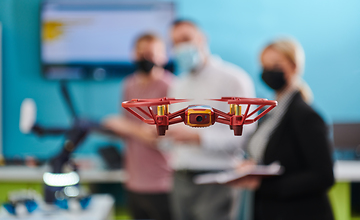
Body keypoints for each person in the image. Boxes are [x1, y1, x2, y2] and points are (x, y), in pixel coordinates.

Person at [232, 38, 334, 220]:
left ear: (294, 67)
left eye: (276, 65)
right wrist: (254, 167)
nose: (269, 72)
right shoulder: (269, 113)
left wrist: (263, 185)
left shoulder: (305, 115)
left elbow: (324, 176)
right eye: (265, 66)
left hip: (300, 213)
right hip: (271, 210)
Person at [166, 19, 256, 220]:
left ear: (202, 39)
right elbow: (172, 135)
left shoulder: (233, 79)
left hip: (218, 178)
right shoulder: (178, 85)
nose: (181, 46)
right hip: (180, 177)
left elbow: (243, 135)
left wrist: (199, 138)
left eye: (186, 39)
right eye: (175, 42)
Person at [103, 34, 174, 220]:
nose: (145, 58)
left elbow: (161, 138)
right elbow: (131, 131)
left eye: (151, 53)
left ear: (163, 56)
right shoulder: (128, 85)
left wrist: (124, 126)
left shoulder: (172, 87)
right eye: (141, 52)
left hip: (163, 183)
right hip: (133, 182)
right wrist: (116, 129)